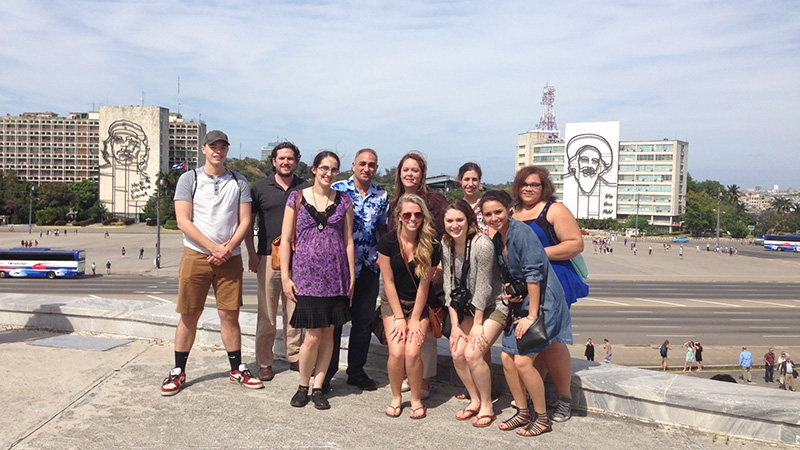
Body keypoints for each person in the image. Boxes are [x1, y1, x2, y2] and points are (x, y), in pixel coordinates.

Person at [161, 130, 263, 396]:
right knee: (189, 314)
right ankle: (178, 370)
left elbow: (245, 221)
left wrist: (227, 248)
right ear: (203, 149)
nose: (218, 151)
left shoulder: (239, 181)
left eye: (223, 147)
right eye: (213, 146)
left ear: (227, 150)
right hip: (196, 255)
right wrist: (213, 248)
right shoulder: (189, 179)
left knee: (230, 315)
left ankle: (236, 368)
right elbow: (184, 221)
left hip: (230, 257)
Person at [480, 190, 571, 437]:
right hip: (523, 301)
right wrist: (511, 293)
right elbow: (510, 274)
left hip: (544, 301)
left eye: (498, 211)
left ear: (509, 209)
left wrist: (531, 316)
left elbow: (534, 274)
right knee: (508, 358)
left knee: (522, 360)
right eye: (488, 214)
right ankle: (523, 411)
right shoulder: (499, 237)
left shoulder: (521, 233)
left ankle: (541, 418)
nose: (494, 217)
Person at [511, 166, 588, 422]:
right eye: (524, 184)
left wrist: (538, 253)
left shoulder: (554, 210)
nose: (529, 189)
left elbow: (575, 244)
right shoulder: (513, 212)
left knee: (553, 341)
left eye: (535, 184)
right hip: (527, 283)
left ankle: (564, 398)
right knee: (537, 340)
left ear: (544, 187)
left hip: (555, 281)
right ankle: (538, 393)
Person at [281, 151, 355, 410]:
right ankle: (303, 384)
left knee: (329, 334)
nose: (329, 173)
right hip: (306, 277)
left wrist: (352, 274)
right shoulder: (297, 197)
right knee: (311, 336)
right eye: (324, 168)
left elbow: (348, 240)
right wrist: (285, 276)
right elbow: (285, 240)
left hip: (336, 276)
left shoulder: (344, 200)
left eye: (334, 169)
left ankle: (319, 386)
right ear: (314, 169)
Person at [324, 148, 389, 392]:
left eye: (371, 164)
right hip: (340, 268)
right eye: (362, 163)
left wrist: (381, 257)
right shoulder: (338, 190)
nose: (366, 168)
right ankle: (327, 372)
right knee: (335, 323)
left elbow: (383, 230)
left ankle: (356, 371)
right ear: (353, 165)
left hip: (368, 267)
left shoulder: (382, 196)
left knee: (362, 323)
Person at [245, 142, 311, 381]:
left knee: (295, 312)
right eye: (281, 158)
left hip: (298, 259)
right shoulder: (260, 188)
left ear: (296, 161)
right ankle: (264, 361)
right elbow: (248, 223)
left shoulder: (306, 188)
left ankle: (294, 356)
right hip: (266, 256)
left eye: (290, 158)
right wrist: (251, 254)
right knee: (267, 314)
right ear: (273, 161)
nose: (286, 162)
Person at [441, 199, 508, 427]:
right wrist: (455, 326)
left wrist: (478, 324)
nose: (454, 225)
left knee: (472, 354)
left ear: (469, 220)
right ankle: (475, 399)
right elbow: (448, 285)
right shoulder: (446, 243)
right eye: (449, 220)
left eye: (459, 220)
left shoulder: (482, 244)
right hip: (467, 308)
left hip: (493, 306)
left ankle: (487, 405)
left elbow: (484, 287)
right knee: (457, 353)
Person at [387, 152, 447, 398]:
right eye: (405, 170)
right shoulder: (394, 202)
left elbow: (444, 234)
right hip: (400, 273)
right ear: (399, 173)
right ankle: (404, 375)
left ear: (422, 174)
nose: (409, 174)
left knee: (424, 325)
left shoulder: (435, 200)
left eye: (415, 170)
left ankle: (422, 379)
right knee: (401, 329)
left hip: (427, 269)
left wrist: (440, 268)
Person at [377, 194, 441, 419]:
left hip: (419, 303)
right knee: (396, 353)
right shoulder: (388, 242)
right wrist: (399, 318)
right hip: (393, 302)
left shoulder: (431, 245)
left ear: (423, 217)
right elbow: (389, 282)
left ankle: (415, 398)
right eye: (407, 214)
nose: (412, 218)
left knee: (412, 353)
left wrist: (414, 319)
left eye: (417, 214)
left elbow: (424, 286)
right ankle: (396, 397)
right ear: (399, 217)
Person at [457, 162, 487, 234]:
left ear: (479, 181)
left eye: (474, 179)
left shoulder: (486, 205)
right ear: (460, 180)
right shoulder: (457, 207)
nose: (470, 184)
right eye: (467, 179)